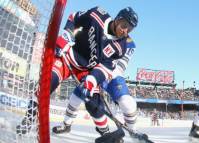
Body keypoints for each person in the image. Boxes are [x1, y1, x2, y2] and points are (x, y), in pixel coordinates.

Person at [16, 6, 138, 135]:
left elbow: (105, 67)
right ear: (117, 19)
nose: (125, 31)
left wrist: (91, 80)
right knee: (47, 83)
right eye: (124, 26)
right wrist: (65, 37)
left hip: (87, 70)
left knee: (95, 106)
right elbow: (74, 18)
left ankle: (105, 132)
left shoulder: (121, 47)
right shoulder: (97, 14)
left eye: (129, 29)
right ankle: (29, 119)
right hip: (68, 58)